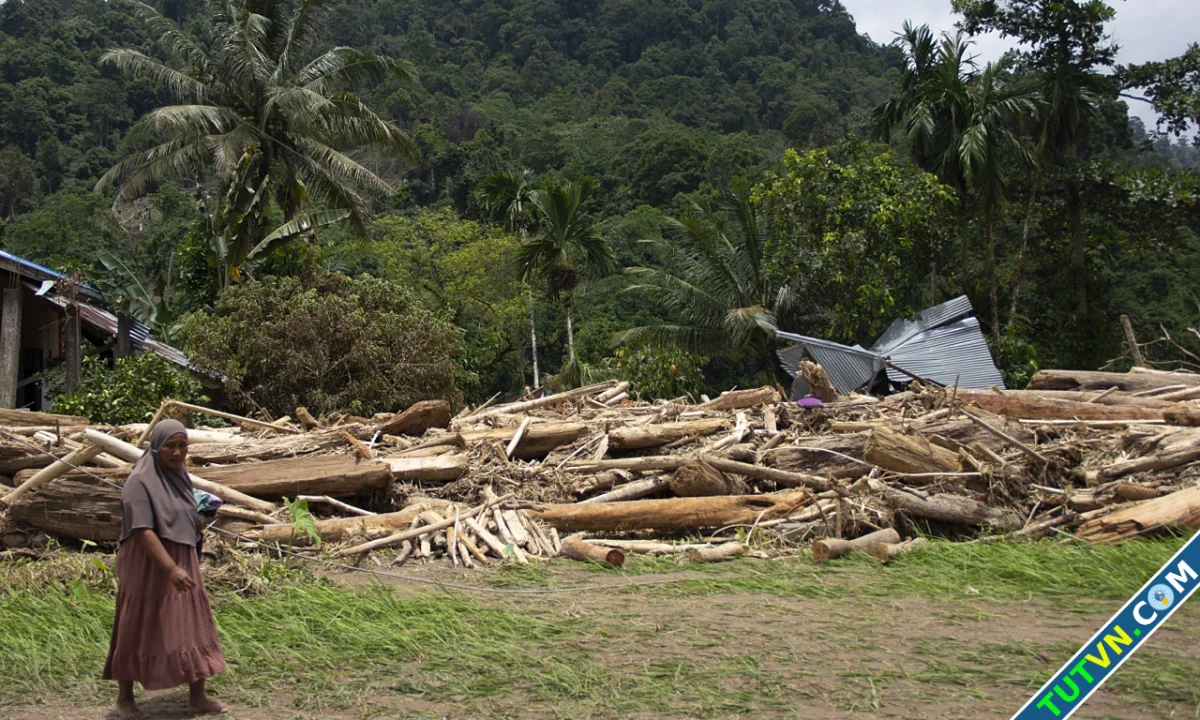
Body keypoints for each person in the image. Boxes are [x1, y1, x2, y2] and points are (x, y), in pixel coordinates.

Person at [102, 420, 229, 719]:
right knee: (138, 624)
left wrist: (198, 523)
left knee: (192, 623)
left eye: (182, 446)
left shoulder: (179, 476)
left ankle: (198, 696)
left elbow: (181, 514)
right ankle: (125, 700)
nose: (176, 453)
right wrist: (170, 569)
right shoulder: (139, 482)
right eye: (170, 446)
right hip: (148, 563)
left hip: (182, 557)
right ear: (156, 447)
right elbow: (144, 531)